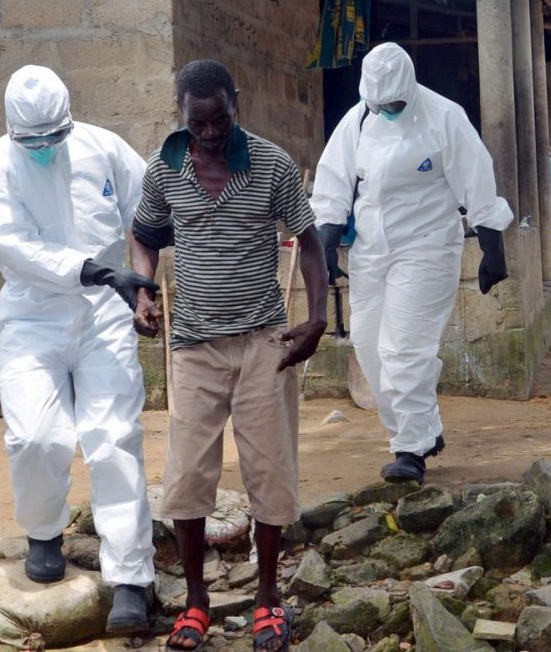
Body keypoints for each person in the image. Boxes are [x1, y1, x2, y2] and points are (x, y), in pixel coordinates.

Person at [129, 59, 328, 652]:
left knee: (271, 474)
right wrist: (141, 290)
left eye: (221, 119)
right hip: (193, 346)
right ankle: (196, 602)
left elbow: (310, 242)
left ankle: (268, 598)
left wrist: (316, 318)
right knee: (186, 481)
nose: (212, 132)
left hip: (265, 341)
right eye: (200, 123)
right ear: (182, 116)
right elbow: (144, 235)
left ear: (235, 104)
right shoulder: (163, 171)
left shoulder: (271, 165)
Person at [0, 65, 158, 632]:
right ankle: (43, 532)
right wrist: (95, 270)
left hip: (104, 315)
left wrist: (143, 283)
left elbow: (147, 215)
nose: (45, 147)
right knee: (34, 435)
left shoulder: (105, 148)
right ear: (12, 130)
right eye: (34, 140)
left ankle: (130, 579)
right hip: (32, 314)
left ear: (69, 120)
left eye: (54, 136)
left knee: (113, 437)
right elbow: (14, 247)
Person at [311, 43, 513, 486]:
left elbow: (476, 181)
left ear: (410, 87)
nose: (386, 111)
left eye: (394, 104)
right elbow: (333, 181)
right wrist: (325, 243)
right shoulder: (360, 118)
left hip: (427, 247)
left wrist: (492, 248)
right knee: (367, 344)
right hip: (370, 249)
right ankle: (422, 429)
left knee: (404, 348)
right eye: (379, 104)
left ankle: (410, 449)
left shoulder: (445, 117)